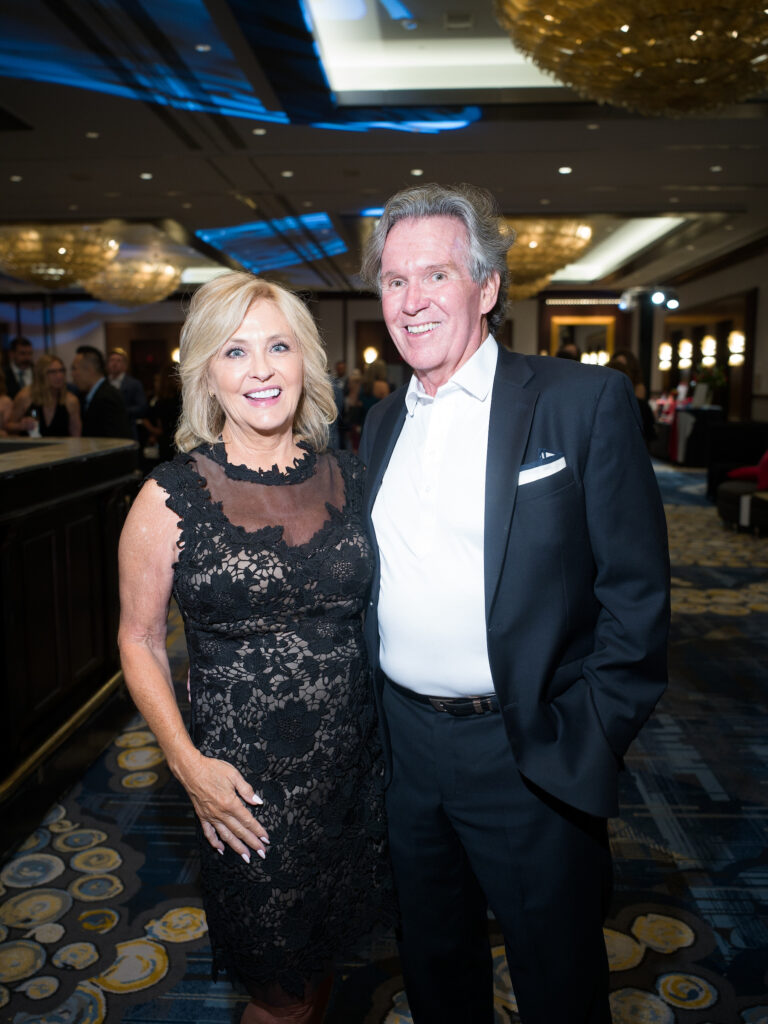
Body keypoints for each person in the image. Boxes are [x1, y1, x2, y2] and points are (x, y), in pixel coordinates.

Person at [358, 183, 670, 1024]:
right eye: (393, 281)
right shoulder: (383, 423)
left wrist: (590, 732)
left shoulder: (579, 402)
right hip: (408, 751)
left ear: (487, 287)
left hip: (531, 750)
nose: (412, 302)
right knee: (433, 967)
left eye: (436, 276)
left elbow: (636, 595)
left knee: (557, 980)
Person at [118, 272, 393, 1024]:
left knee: (328, 960)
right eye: (236, 351)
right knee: (282, 997)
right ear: (208, 370)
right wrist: (187, 765)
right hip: (245, 796)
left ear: (306, 359)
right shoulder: (169, 496)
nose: (261, 369)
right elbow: (138, 640)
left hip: (355, 778)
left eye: (278, 346)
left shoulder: (357, 477)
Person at [6, 354, 82, 437]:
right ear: (41, 374)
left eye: (61, 370)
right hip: (31, 448)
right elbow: (8, 426)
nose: (59, 376)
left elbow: (76, 434)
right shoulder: (25, 396)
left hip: (61, 449)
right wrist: (21, 426)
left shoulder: (71, 400)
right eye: (52, 372)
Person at [71, 346, 133, 439]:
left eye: (75, 368)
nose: (72, 374)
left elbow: (116, 441)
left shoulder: (107, 397)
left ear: (89, 370)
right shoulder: (89, 395)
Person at [107, 346, 148, 437]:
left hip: (127, 429)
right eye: (112, 360)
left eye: (118, 361)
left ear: (125, 365)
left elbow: (142, 407)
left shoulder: (134, 384)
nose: (114, 363)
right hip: (108, 431)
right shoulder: (104, 383)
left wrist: (122, 411)